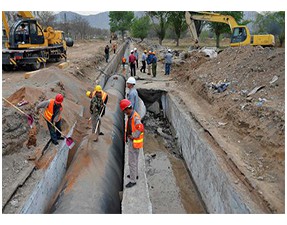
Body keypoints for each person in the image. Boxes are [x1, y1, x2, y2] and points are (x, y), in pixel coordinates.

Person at [119, 99, 144, 188]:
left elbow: (140, 127)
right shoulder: (132, 115)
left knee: (132, 162)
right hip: (134, 143)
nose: (125, 113)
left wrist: (134, 136)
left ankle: (133, 180)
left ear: (127, 109)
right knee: (135, 160)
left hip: (134, 143)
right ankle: (135, 174)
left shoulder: (135, 117)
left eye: (124, 111)